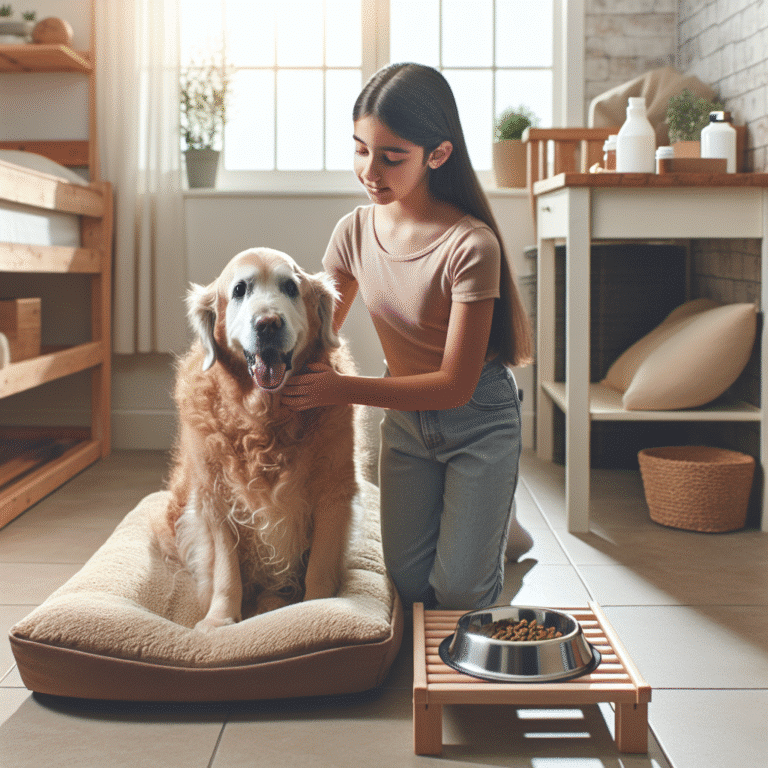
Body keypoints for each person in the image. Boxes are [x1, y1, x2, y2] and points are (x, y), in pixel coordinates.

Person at [282, 62, 534, 610]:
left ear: (437, 155)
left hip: (479, 421)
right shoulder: (353, 232)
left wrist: (344, 390)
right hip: (407, 426)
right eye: (360, 150)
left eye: (392, 157)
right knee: (410, 587)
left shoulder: (471, 245)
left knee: (460, 593)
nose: (370, 171)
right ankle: (495, 520)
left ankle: (497, 518)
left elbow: (452, 387)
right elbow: (319, 333)